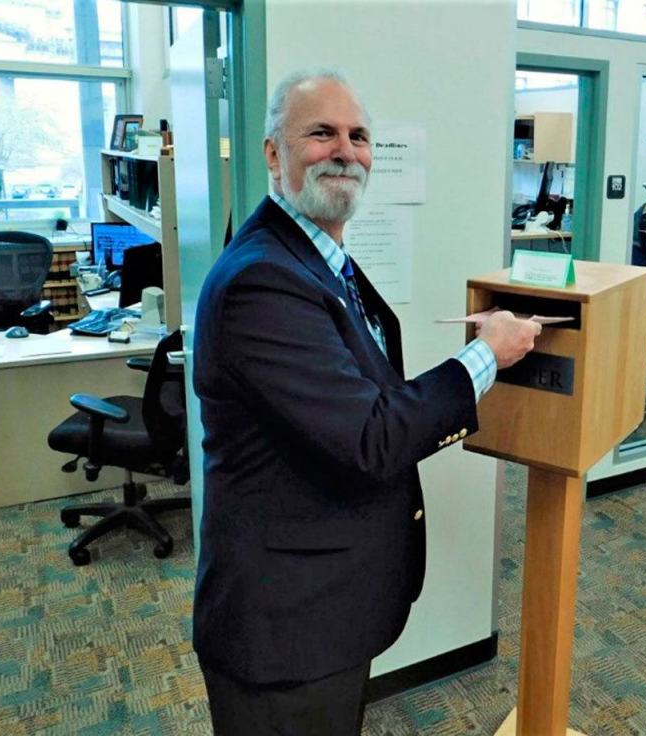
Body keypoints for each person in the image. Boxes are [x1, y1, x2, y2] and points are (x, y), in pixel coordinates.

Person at [191, 70, 541, 735]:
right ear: (274, 153)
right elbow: (372, 435)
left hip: (328, 609)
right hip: (286, 629)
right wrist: (486, 357)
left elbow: (360, 394)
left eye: (359, 136)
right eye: (321, 133)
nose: (345, 151)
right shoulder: (263, 280)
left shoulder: (319, 259)